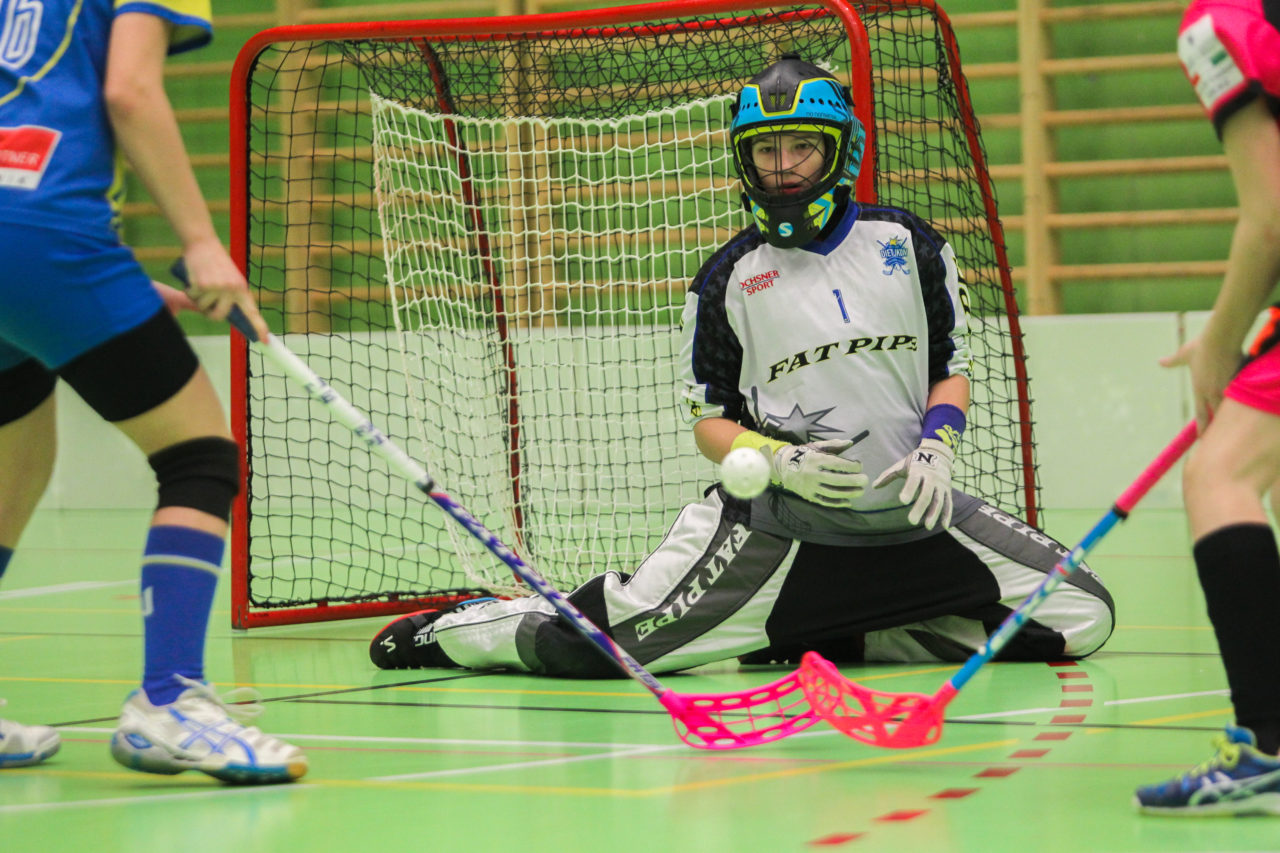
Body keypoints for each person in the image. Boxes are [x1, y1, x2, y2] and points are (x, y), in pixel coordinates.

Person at [368, 54, 1115, 684]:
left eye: (801, 147)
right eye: (765, 149)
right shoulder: (728, 280)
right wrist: (779, 460)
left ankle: (839, 635)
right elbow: (712, 422)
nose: (783, 167)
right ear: (744, 156)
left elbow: (951, 367)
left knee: (1081, 613)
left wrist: (937, 444)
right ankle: (467, 629)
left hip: (912, 521)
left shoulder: (909, 244)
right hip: (780, 528)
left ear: (839, 150)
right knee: (605, 649)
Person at [0, 2, 305, 782]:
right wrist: (201, 243)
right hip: (44, 228)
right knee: (198, 453)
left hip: (25, 230)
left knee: (15, 464)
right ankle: (168, 700)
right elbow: (129, 91)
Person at [1133, 0, 1280, 816]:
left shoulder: (1219, 25)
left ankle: (1265, 740)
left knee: (1219, 474)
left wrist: (1220, 343)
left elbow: (1271, 217)